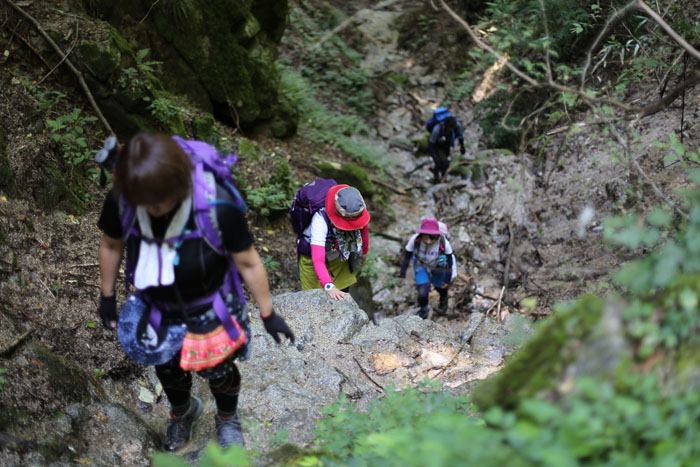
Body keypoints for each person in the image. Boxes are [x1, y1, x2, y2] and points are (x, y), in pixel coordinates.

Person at [97, 133, 294, 452]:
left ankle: (228, 418)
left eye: (159, 201)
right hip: (157, 305)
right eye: (144, 203)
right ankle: (183, 412)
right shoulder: (125, 198)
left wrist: (268, 313)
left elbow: (248, 261)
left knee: (220, 369)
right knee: (168, 368)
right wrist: (106, 297)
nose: (152, 208)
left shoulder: (217, 205)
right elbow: (110, 243)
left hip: (210, 304)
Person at [297, 184, 370, 301]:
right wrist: (329, 285)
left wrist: (365, 251)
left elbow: (363, 227)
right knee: (312, 299)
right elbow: (318, 259)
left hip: (338, 253)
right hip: (312, 257)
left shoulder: (357, 205)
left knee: (343, 291)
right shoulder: (320, 220)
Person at [398, 218, 457, 319]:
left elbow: (450, 262)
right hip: (421, 265)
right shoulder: (415, 239)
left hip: (438, 266)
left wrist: (447, 279)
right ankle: (424, 309)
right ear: (421, 235)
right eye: (425, 238)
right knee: (422, 291)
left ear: (437, 235)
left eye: (432, 238)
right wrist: (402, 274)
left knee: (440, 287)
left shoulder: (444, 243)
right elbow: (407, 256)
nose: (428, 241)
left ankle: (444, 299)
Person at [428, 115, 466, 183]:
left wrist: (462, 147)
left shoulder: (457, 126)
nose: (451, 130)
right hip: (437, 146)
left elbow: (460, 136)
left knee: (443, 163)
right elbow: (431, 145)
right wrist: (434, 157)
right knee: (444, 162)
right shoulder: (437, 129)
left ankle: (435, 173)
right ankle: (443, 180)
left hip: (447, 145)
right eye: (450, 128)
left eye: (452, 128)